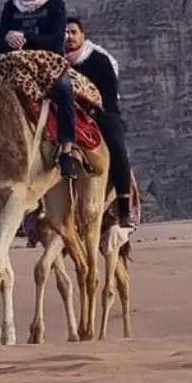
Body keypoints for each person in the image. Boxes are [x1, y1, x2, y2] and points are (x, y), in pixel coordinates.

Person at [0, 0, 76, 177]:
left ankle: (67, 149)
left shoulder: (55, 3)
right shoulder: (11, 6)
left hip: (48, 65)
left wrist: (25, 37)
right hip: (17, 65)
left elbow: (56, 40)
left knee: (65, 89)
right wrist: (9, 39)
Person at [63, 18, 134, 227]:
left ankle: (124, 207)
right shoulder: (55, 60)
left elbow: (110, 95)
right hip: (68, 115)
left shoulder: (100, 60)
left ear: (82, 35)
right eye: (65, 33)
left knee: (118, 148)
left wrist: (91, 108)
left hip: (101, 113)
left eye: (73, 32)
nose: (69, 37)